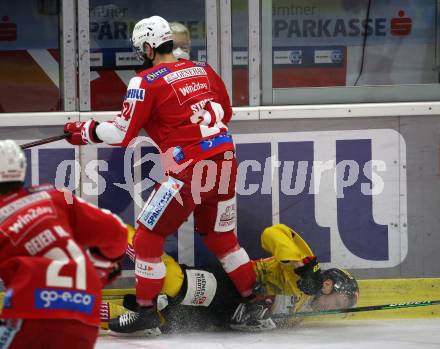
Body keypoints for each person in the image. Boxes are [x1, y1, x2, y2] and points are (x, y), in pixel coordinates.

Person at [63, 15, 258, 334]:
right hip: (225, 160)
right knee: (222, 237)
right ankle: (254, 300)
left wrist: (84, 131)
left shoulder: (146, 82)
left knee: (147, 236)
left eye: (142, 49)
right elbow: (227, 111)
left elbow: (122, 133)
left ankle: (145, 311)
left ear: (150, 47)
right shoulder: (204, 70)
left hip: (187, 169)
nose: (142, 54)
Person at [101, 224, 359, 334]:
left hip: (220, 319)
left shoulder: (302, 315)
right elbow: (273, 234)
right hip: (231, 288)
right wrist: (303, 267)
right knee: (173, 282)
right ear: (328, 285)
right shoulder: (305, 273)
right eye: (342, 301)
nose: (338, 309)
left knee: (156, 326)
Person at [0, 139, 128, 349]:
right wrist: (101, 268)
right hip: (84, 314)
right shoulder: (54, 196)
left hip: (29, 315)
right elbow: (118, 233)